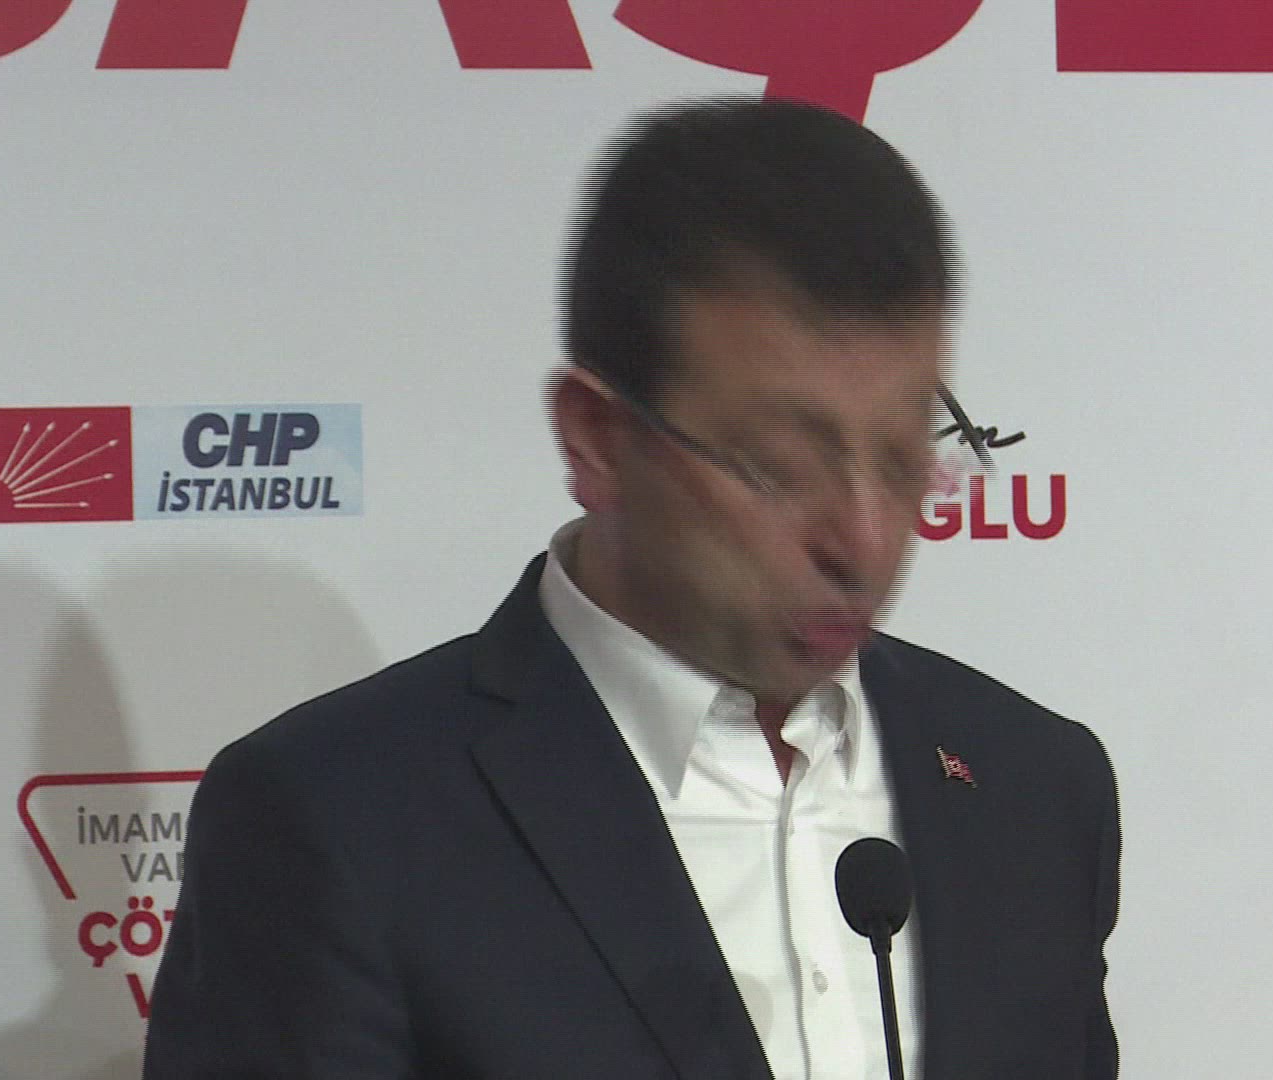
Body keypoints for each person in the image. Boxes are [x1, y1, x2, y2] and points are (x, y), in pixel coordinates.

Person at [144, 98, 1120, 1080]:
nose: (862, 540)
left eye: (905, 457)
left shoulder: (1037, 789)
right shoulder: (338, 823)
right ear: (598, 440)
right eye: (781, 467)